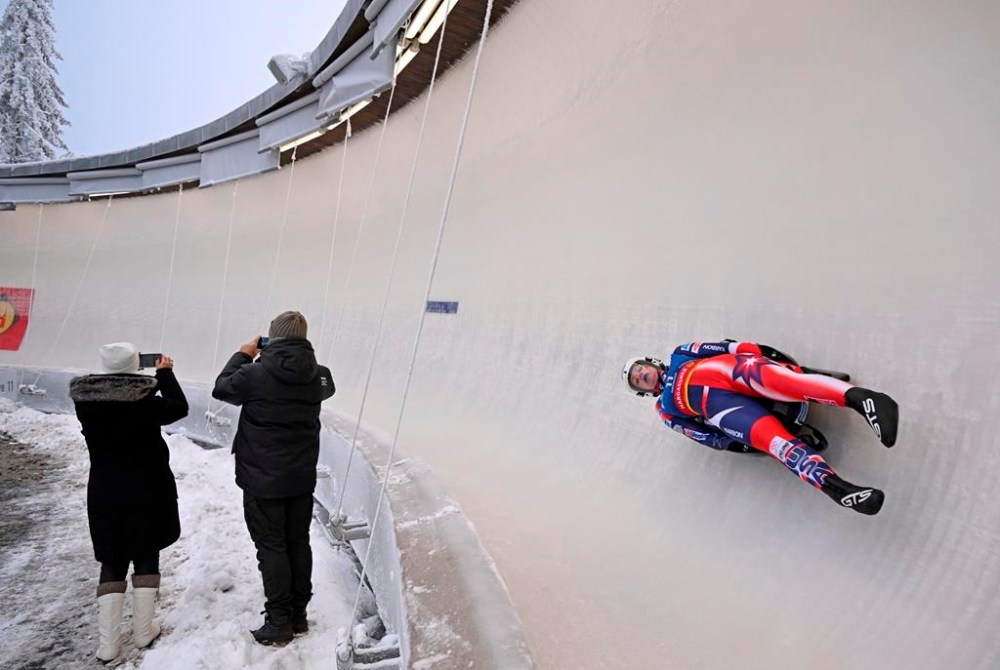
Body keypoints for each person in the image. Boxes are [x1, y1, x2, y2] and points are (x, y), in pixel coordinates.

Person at [621, 340, 899, 516]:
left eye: (639, 369)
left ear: (650, 362)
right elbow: (703, 435)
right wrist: (734, 444)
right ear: (642, 391)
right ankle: (838, 489)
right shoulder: (666, 411)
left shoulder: (682, 352)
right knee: (774, 443)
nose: (641, 375)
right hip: (723, 409)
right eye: (637, 381)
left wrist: (763, 352)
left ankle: (866, 400)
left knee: (789, 383)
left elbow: (725, 347)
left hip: (733, 371)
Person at [212, 311, 335, 645]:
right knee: (298, 542)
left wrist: (243, 355)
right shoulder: (319, 375)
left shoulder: (254, 374)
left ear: (272, 339)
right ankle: (298, 614)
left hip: (262, 479)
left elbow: (222, 389)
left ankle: (278, 619)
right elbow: (326, 389)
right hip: (300, 476)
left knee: (271, 546)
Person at [69, 342, 188, 662]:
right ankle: (143, 630)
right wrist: (165, 374)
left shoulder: (85, 400)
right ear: (136, 366)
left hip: (105, 491)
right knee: (146, 552)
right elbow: (178, 407)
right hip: (147, 488)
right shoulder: (145, 402)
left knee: (113, 558)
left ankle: (108, 645)